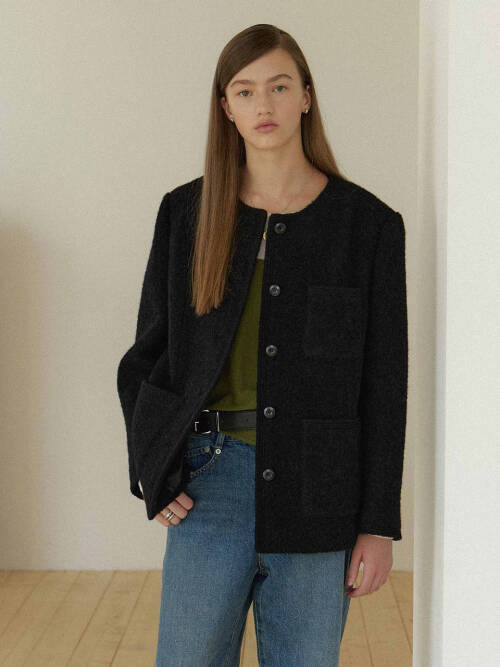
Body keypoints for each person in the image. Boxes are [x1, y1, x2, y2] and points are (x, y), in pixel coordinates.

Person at [117, 23, 408, 667]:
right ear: (226, 108)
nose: (264, 105)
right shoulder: (187, 214)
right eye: (245, 91)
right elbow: (145, 360)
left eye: (279, 86)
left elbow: (384, 387)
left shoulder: (368, 227)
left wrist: (377, 525)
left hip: (320, 491)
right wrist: (154, 468)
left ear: (306, 95)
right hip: (209, 481)